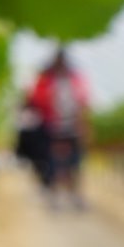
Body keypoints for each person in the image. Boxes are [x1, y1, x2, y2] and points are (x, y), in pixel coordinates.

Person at [27, 47, 90, 208]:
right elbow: (35, 100)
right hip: (51, 127)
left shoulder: (75, 79)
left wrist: (83, 125)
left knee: (74, 162)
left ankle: (74, 194)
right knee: (52, 161)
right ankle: (54, 193)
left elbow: (83, 103)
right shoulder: (45, 80)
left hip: (72, 127)